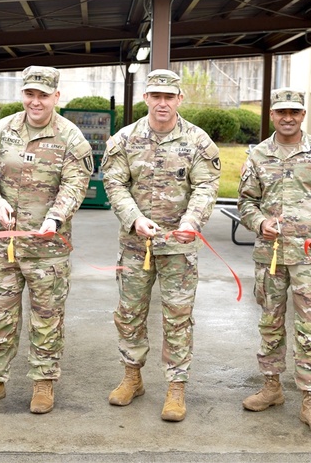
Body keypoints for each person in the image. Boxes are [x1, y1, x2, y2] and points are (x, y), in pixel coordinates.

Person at [0, 65, 92, 414]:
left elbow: (75, 184)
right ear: (23, 94)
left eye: (43, 95)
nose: (35, 101)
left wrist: (56, 216)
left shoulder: (70, 138)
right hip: (3, 246)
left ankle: (43, 383)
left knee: (47, 318)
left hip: (48, 249)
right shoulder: (1, 131)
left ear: (56, 96)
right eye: (30, 94)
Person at [101, 68, 220, 422]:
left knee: (178, 318)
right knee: (129, 314)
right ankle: (132, 377)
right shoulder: (125, 139)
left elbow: (206, 186)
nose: (162, 103)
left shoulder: (199, 142)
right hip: (136, 245)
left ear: (179, 99)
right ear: (146, 98)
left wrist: (191, 221)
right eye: (156, 96)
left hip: (179, 249)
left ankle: (176, 387)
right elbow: (115, 184)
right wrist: (134, 218)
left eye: (169, 97)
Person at [236, 88, 311, 437]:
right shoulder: (258, 156)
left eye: (295, 112)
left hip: (309, 258)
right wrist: (259, 223)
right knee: (269, 323)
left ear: (304, 115)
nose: (288, 117)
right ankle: (272, 387)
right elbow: (245, 202)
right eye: (282, 111)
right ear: (272, 114)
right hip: (269, 257)